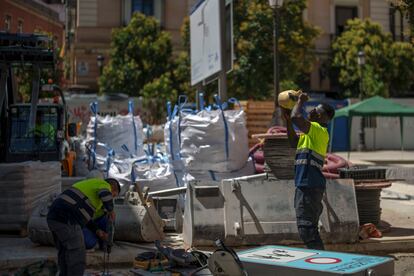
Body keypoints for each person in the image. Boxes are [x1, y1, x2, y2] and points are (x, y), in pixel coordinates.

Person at [282, 92, 335, 250]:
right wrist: (288, 123)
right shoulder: (310, 134)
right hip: (307, 185)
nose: (311, 112)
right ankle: (319, 262)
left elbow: (297, 117)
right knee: (309, 230)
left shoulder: (319, 130)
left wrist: (300, 101)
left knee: (307, 231)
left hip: (309, 186)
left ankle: (321, 266)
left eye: (315, 111)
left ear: (322, 117)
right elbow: (293, 142)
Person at [47, 178, 120, 276]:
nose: (112, 198)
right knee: (78, 253)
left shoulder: (89, 188)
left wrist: (98, 231)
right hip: (67, 218)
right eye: (113, 195)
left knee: (65, 251)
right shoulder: (103, 184)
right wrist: (111, 210)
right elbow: (105, 193)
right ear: (112, 188)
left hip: (54, 217)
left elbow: (87, 219)